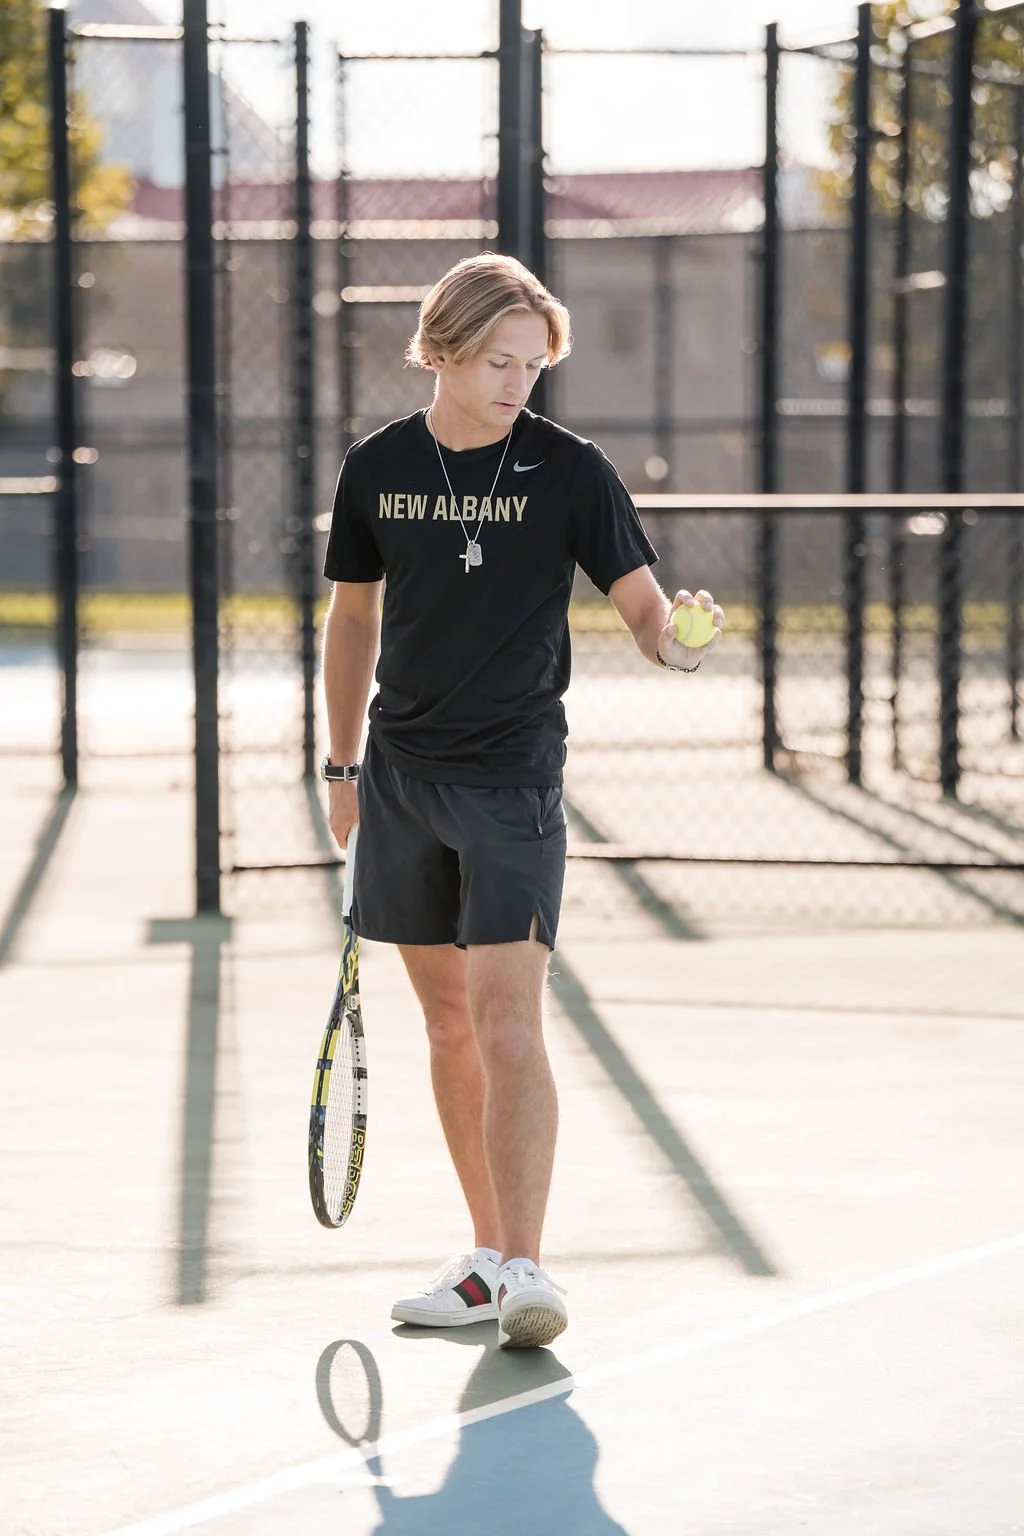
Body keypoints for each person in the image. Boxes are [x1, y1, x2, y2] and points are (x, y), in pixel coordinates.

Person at [320, 253, 724, 1350]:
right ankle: (489, 1257)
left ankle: (530, 1275)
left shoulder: (571, 471)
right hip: (400, 778)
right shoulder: (377, 468)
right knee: (445, 1022)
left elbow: (645, 613)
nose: (515, 383)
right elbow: (353, 622)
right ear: (440, 350)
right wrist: (342, 768)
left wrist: (679, 642)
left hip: (513, 785)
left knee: (505, 1019)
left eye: (532, 366)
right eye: (498, 361)